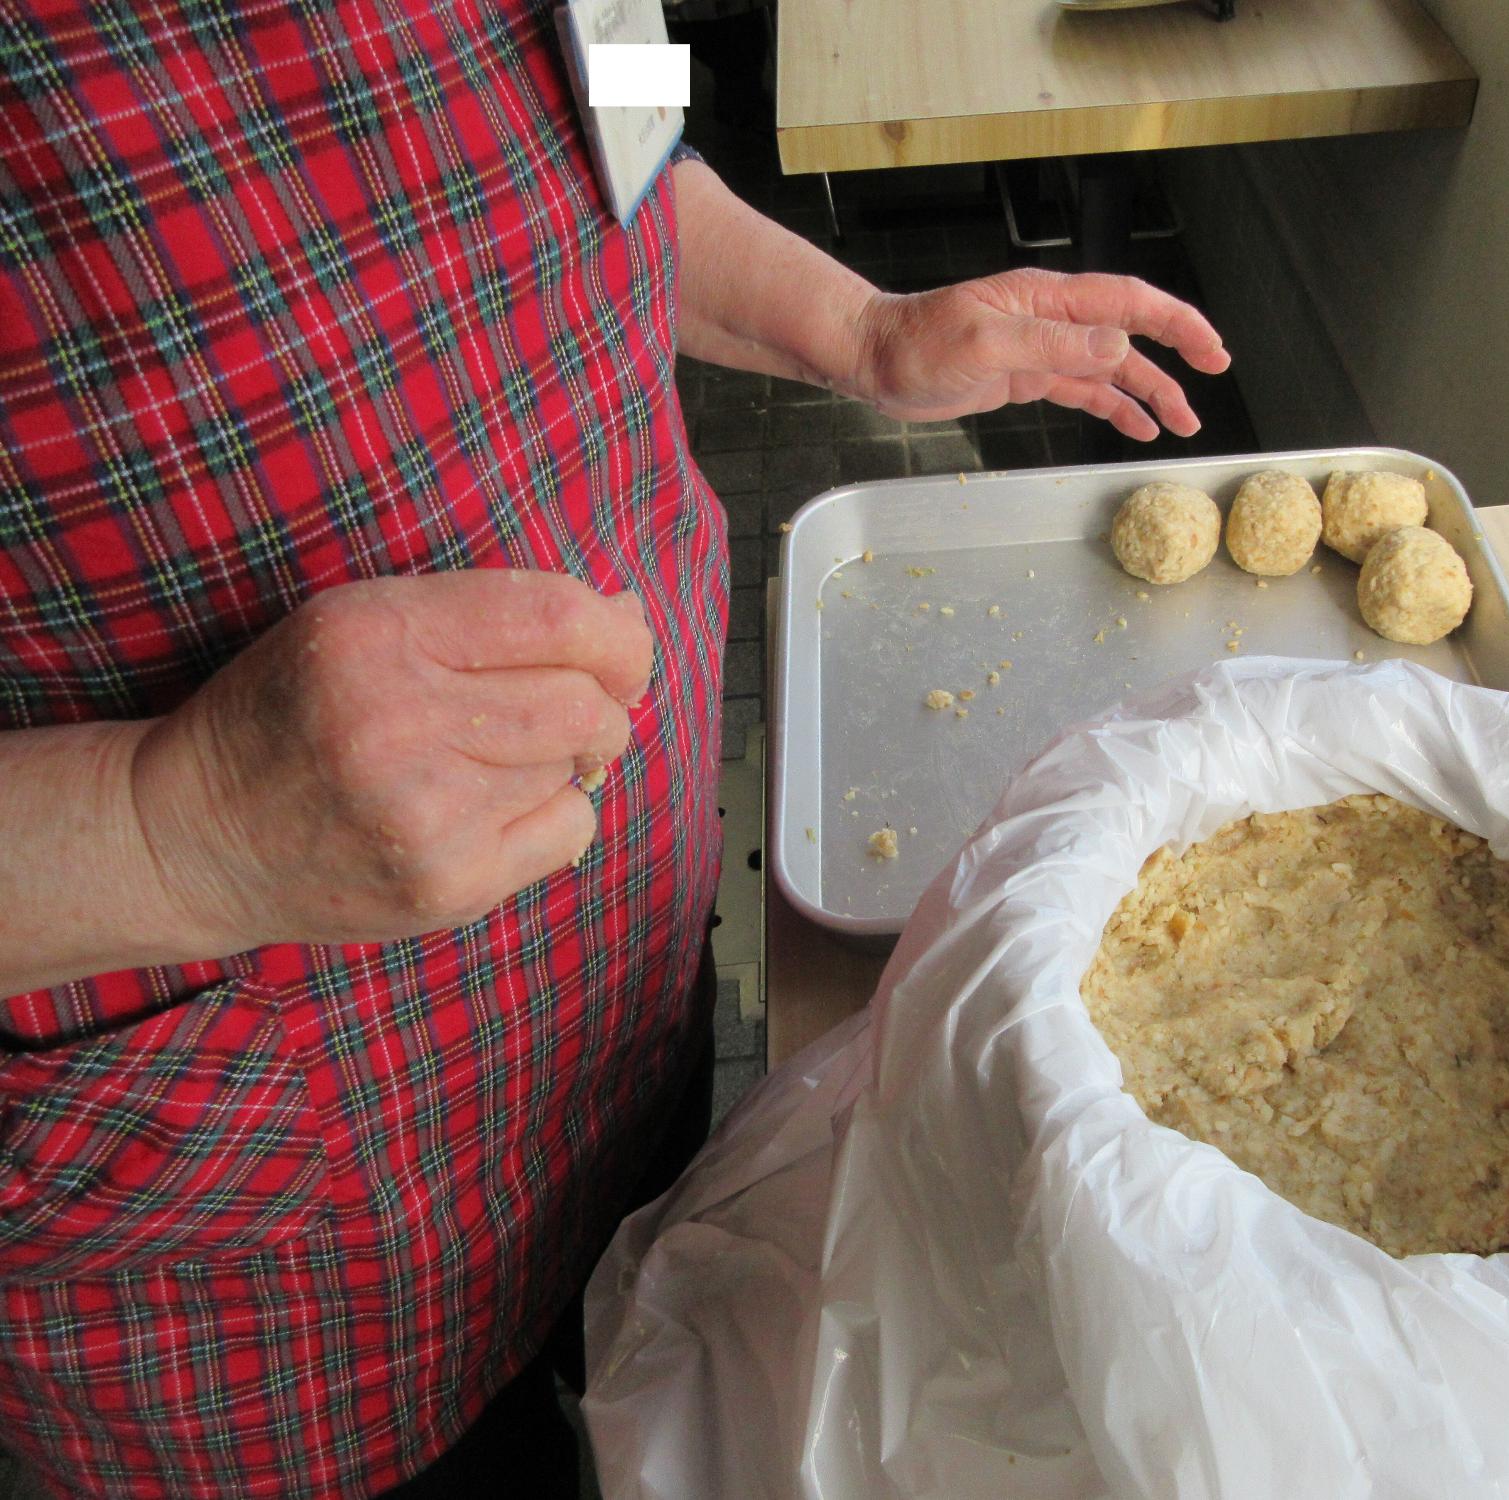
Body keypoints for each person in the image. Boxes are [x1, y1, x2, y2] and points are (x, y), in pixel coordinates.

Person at [0, 3, 1231, 1496]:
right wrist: (166, 826)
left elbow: (620, 136)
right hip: (257, 1227)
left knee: (656, 1365)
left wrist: (858, 329)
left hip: (617, 980)